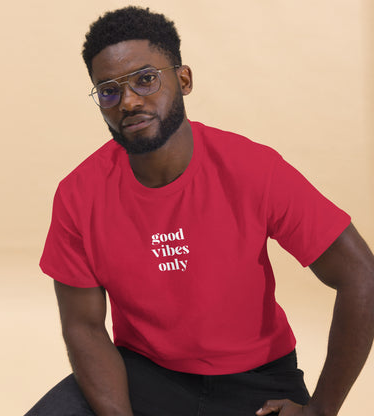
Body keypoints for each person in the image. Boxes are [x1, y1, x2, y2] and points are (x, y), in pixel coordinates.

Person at [25, 6, 374, 416]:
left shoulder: (252, 169)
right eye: (108, 91)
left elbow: (361, 276)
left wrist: (320, 411)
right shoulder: (78, 194)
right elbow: (83, 325)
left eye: (146, 79)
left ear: (183, 79)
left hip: (256, 380)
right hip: (143, 374)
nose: (129, 101)